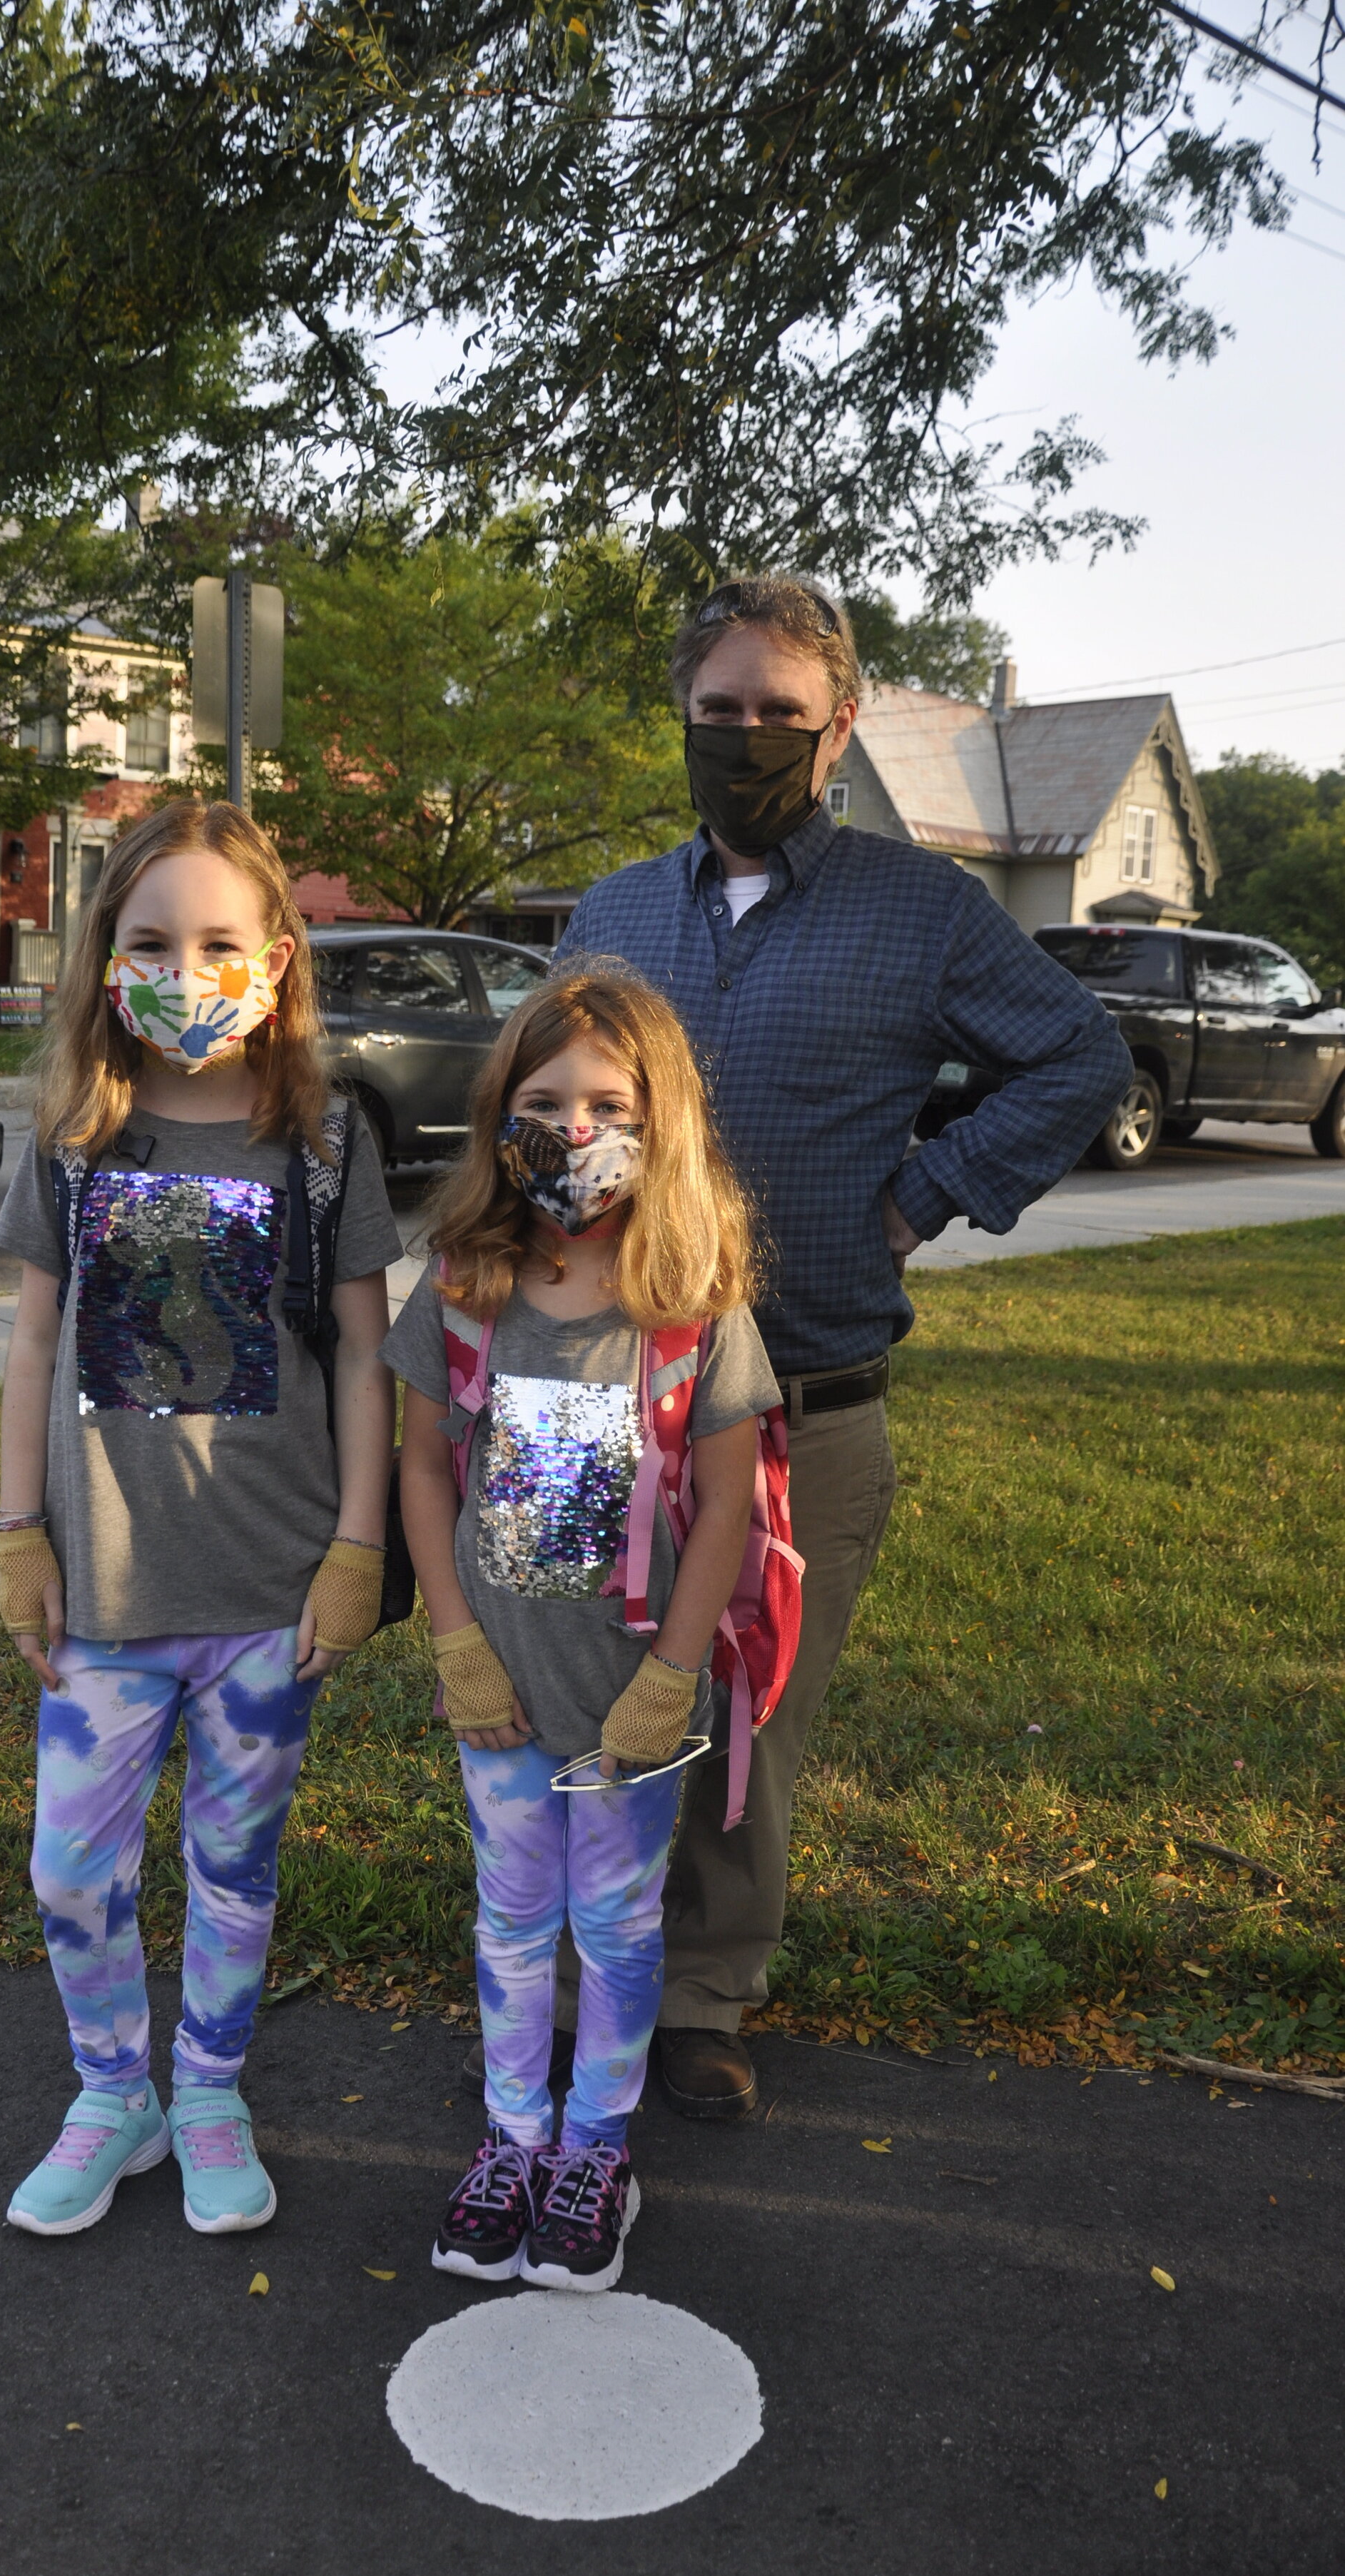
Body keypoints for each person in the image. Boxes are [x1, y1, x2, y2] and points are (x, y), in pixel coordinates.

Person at [538, 574, 1133, 2123]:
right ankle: (565, 1972)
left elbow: (1077, 1054)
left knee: (743, 1722)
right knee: (580, 1694)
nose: (744, 739)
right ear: (681, 716)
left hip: (806, 1402)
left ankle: (702, 1999)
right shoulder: (608, 916)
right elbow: (540, 1119)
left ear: (836, 726)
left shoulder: (920, 908)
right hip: (604, 1401)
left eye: (778, 716)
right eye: (718, 711)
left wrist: (927, 1194)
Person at [0, 799, 401, 2240]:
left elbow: (363, 1355)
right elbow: (34, 1348)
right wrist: (15, 1532)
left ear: (276, 959)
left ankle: (210, 2086)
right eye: (152, 939)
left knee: (233, 1870)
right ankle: (116, 2094)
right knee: (69, 1866)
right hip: (104, 1588)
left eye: (220, 941)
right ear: (105, 955)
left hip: (266, 1595)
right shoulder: (77, 1135)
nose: (186, 967)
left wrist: (358, 1547)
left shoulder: (327, 1141)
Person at [385, 963, 779, 2290]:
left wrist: (668, 1680)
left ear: (661, 1120)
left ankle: (594, 2152)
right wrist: (453, 1639)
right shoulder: (463, 1288)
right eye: (544, 1100)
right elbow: (425, 1467)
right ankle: (513, 2138)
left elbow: (726, 1503)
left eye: (608, 1101)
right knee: (510, 1919)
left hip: (631, 1704)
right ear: (499, 1116)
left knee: (613, 1925)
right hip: (497, 1686)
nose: (574, 1128)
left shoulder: (692, 1301)